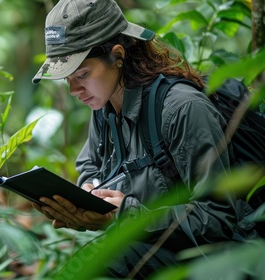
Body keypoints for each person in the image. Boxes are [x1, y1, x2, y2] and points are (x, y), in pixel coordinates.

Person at [31, 0, 258, 278]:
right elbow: (91, 167)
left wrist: (125, 214)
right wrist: (89, 195)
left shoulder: (182, 109)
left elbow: (218, 220)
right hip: (155, 249)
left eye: (82, 74)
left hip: (219, 260)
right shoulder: (103, 106)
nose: (74, 90)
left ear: (117, 55)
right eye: (67, 78)